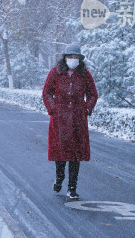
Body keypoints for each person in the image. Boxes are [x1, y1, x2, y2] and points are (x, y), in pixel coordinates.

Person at [42, 43, 98, 200]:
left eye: (76, 57)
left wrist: (86, 109)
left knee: (75, 155)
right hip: (59, 120)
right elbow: (46, 93)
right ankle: (59, 179)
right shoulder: (55, 73)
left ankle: (72, 188)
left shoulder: (85, 75)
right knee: (60, 154)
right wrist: (53, 109)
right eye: (70, 57)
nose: (73, 60)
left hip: (78, 121)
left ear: (80, 59)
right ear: (64, 58)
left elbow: (93, 94)